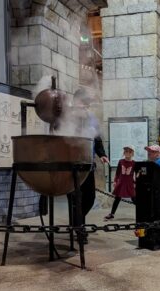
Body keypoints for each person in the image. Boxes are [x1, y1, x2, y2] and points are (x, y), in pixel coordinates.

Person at [69, 88, 109, 243]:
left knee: (90, 198)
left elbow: (96, 137)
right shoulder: (68, 116)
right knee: (76, 199)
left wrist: (102, 154)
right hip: (72, 165)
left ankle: (77, 223)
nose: (85, 106)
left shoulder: (91, 117)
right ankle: (79, 229)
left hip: (88, 164)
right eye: (83, 102)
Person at [104, 145, 135, 220]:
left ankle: (143, 213)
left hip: (129, 183)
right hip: (121, 182)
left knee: (134, 199)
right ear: (124, 153)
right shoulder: (121, 162)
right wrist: (115, 181)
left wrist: (135, 183)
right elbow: (118, 173)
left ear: (132, 153)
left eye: (129, 152)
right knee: (117, 198)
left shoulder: (134, 163)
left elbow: (136, 173)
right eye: (126, 151)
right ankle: (112, 214)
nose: (127, 153)